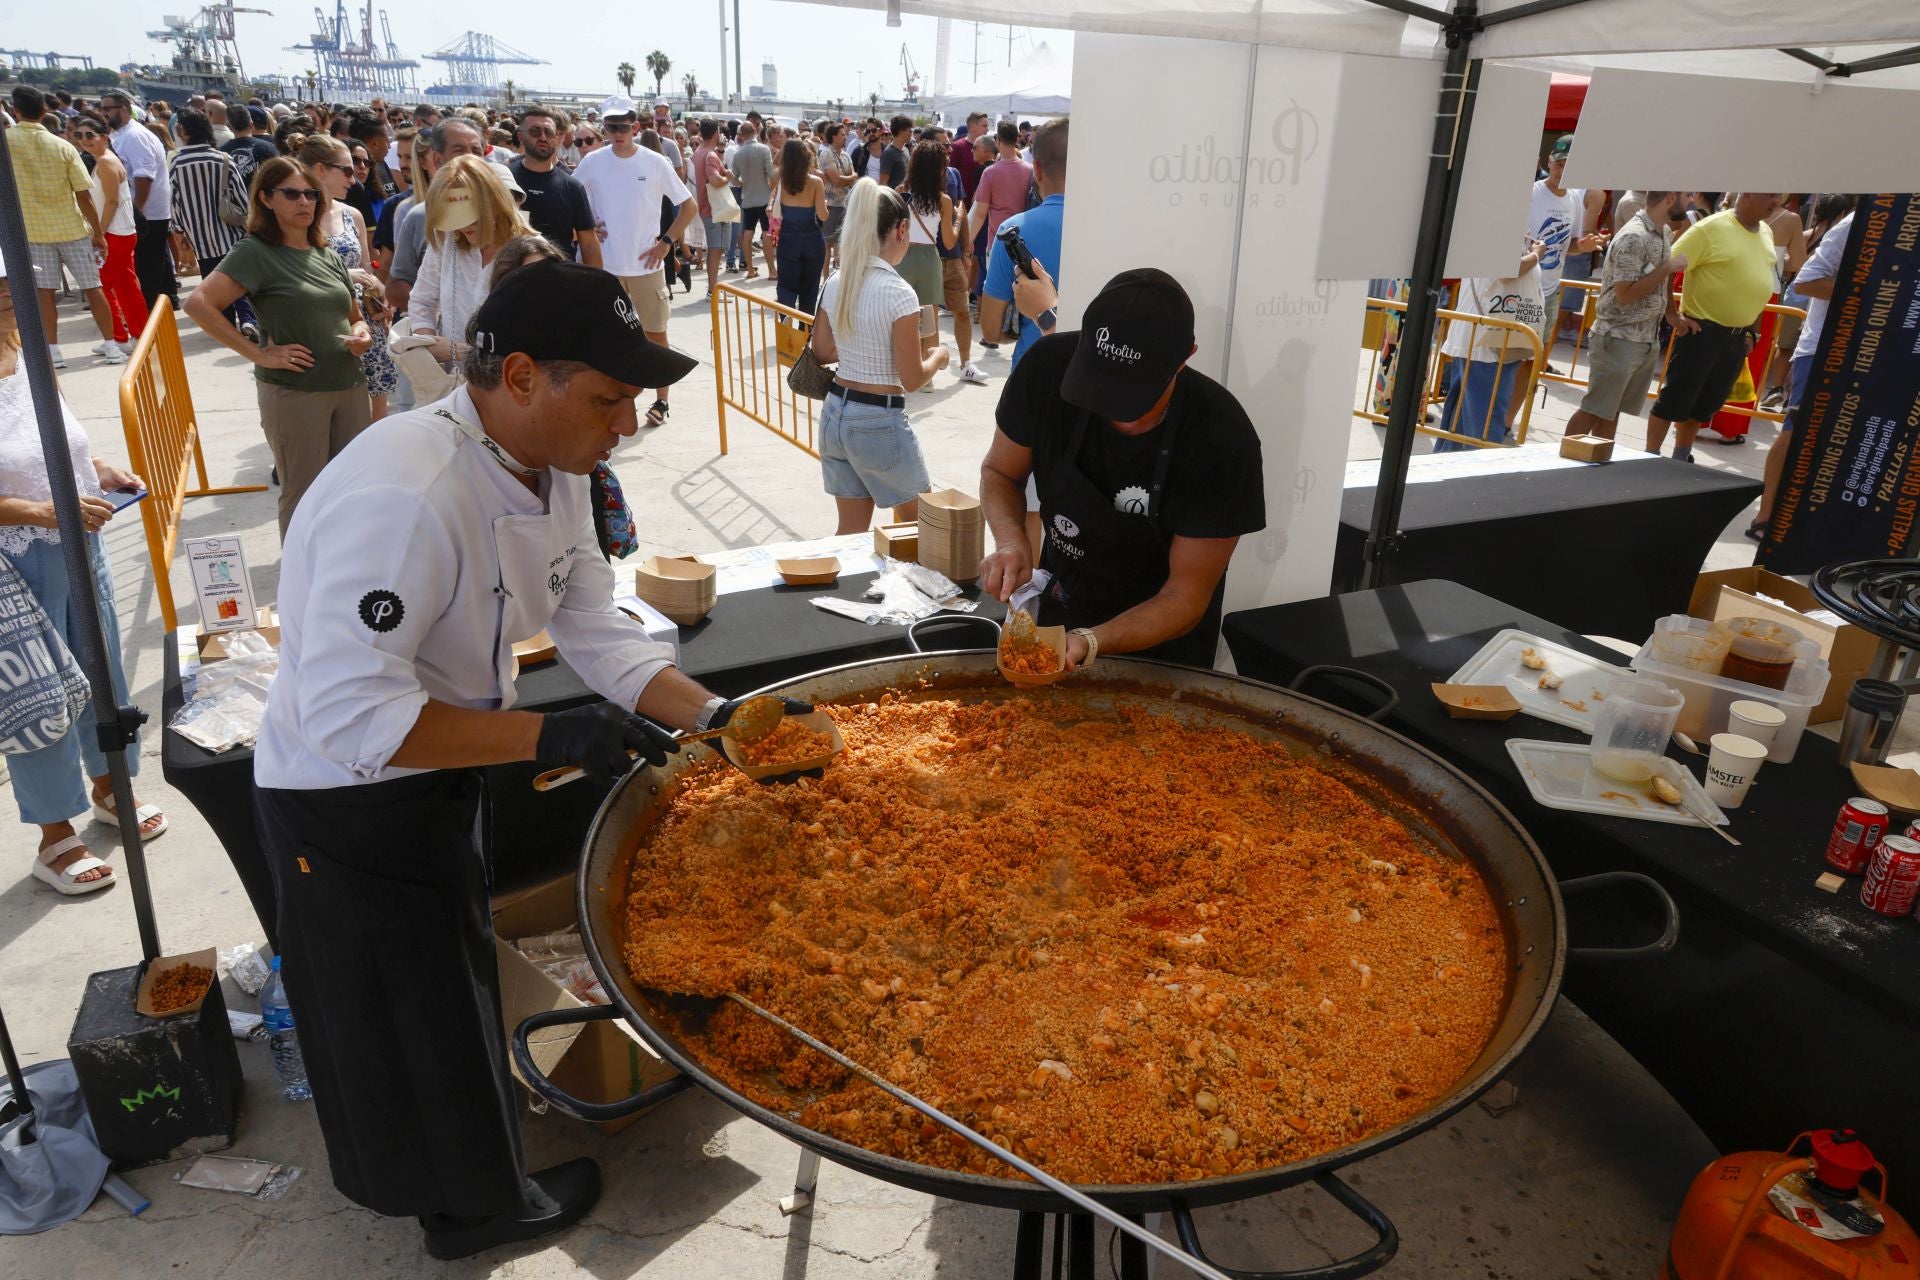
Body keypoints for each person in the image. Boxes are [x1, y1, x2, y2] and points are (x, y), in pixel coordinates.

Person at [248, 258, 785, 1261]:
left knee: (451, 985)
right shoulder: (406, 492)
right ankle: (467, 1210)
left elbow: (597, 627)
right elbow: (351, 716)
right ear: (524, 375)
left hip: (445, 762)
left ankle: (481, 1180)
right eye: (610, 397)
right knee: (401, 1007)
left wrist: (725, 718)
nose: (625, 423)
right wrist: (549, 733)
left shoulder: (557, 468)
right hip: (345, 797)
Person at [977, 269, 1266, 669]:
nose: (1112, 412)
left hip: (1164, 658)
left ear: (1184, 359)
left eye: (1132, 398)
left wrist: (1091, 642)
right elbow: (1000, 472)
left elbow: (1184, 597)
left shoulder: (1221, 438)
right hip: (1061, 617)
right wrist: (1010, 542)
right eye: (1098, 388)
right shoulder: (1045, 369)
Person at [0, 247, 166, 896]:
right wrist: (40, 511)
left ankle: (108, 784)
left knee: (102, 671)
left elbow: (57, 439)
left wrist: (98, 471)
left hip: (78, 539)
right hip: (18, 557)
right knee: (39, 690)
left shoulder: (31, 349)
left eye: (14, 277)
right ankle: (53, 833)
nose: (13, 289)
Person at [184, 155, 373, 537]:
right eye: (292, 194)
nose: (305, 202)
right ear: (267, 199)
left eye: (310, 194)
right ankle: (303, 588)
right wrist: (258, 353)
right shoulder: (256, 252)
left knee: (351, 491)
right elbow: (198, 304)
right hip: (296, 393)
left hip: (349, 387)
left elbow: (354, 314)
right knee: (304, 495)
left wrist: (362, 332)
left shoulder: (327, 254)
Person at [808, 179, 949, 534]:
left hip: (835, 413)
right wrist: (939, 356)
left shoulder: (837, 281)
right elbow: (913, 378)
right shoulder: (900, 294)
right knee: (923, 530)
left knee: (849, 534)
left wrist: (858, 342)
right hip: (877, 420)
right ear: (902, 229)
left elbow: (822, 350)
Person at [572, 107, 692, 427]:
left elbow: (688, 206)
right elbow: (569, 198)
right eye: (611, 127)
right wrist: (584, 228)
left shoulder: (655, 162)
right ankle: (610, 400)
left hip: (647, 268)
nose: (617, 133)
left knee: (656, 336)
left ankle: (662, 401)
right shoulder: (593, 162)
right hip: (605, 269)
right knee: (605, 339)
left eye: (623, 126)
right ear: (604, 128)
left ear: (636, 126)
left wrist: (667, 242)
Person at [1645, 192, 1781, 462]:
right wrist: (1672, 315)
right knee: (1675, 399)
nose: (1777, 202)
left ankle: (1680, 458)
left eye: (1780, 196)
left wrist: (1752, 329)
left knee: (1704, 404)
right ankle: (1649, 457)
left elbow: (1760, 281)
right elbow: (1665, 268)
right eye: (1772, 195)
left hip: (1735, 336)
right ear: (1750, 193)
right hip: (1701, 331)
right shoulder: (1710, 229)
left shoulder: (1766, 230)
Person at [1752, 195, 1856, 538]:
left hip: (1865, 357)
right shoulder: (1855, 225)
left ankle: (1805, 520)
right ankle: (1764, 517)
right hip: (1821, 350)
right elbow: (1806, 280)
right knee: (1795, 429)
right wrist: (1869, 294)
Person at [5, 87, 122, 368]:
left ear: (15, 111)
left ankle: (54, 351)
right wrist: (98, 233)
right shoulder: (63, 145)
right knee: (94, 288)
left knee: (45, 293)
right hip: (71, 228)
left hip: (33, 231)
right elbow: (83, 193)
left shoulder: (6, 142)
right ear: (45, 112)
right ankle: (111, 346)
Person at [1563, 192, 1688, 443]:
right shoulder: (1634, 236)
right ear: (1671, 198)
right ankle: (1560, 465)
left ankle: (1597, 466)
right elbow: (1625, 294)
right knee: (1595, 408)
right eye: (1686, 196)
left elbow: (1658, 280)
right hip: (1617, 338)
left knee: (1609, 411)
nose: (1691, 201)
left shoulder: (1661, 232)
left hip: (1641, 339)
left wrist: (1672, 316)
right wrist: (1668, 268)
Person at [295, 134, 398, 421]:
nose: (354, 179)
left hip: (364, 321)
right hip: (324, 323)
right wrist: (345, 273)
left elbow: (367, 268)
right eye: (348, 169)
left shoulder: (352, 214)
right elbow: (291, 271)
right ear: (320, 170)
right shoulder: (298, 218)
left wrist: (380, 296)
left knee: (379, 399)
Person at [1506, 134, 1605, 430]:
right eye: (1559, 163)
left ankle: (1507, 425)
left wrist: (1584, 246)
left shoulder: (1575, 199)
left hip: (1549, 291)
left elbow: (1569, 244)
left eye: (1569, 164)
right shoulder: (1532, 193)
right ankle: (1490, 419)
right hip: (1521, 288)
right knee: (1507, 356)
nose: (1563, 169)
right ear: (1549, 162)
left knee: (1530, 360)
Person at [410, 157, 535, 374]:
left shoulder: (533, 255)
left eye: (471, 217)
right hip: (454, 386)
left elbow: (534, 342)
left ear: (496, 204)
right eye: (453, 218)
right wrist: (427, 343)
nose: (462, 226)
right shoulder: (447, 240)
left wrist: (457, 351)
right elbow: (422, 300)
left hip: (511, 391)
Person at [1432, 239, 1546, 451]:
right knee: (1482, 428)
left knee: (1461, 425)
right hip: (1486, 341)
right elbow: (1506, 270)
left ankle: (1450, 473)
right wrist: (1537, 254)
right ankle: (1476, 478)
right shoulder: (1499, 228)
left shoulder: (1490, 228)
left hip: (1484, 337)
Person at [981, 118, 1068, 369]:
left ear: (1036, 170)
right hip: (1097, 380)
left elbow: (989, 330)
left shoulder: (1012, 230)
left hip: (1032, 374)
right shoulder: (1112, 228)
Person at [385, 116, 487, 315]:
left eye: (476, 151)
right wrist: (436, 313)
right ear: (437, 159)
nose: (470, 158)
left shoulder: (501, 213)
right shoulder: (416, 216)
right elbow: (396, 286)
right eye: (459, 150)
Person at [70, 116, 149, 353]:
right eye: (79, 135)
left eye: (89, 135)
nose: (84, 140)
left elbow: (112, 201)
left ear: (104, 137)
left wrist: (99, 233)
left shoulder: (105, 162)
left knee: (103, 285)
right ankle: (137, 335)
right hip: (120, 231)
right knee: (126, 285)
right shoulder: (104, 160)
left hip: (115, 233)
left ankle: (120, 337)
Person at [97, 89, 178, 313]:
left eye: (107, 109)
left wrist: (136, 212)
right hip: (146, 212)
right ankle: (164, 302)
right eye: (102, 108)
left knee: (147, 268)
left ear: (123, 109)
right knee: (156, 264)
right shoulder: (123, 134)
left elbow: (144, 176)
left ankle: (150, 312)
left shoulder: (134, 136)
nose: (103, 113)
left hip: (147, 213)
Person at [166, 108, 251, 301]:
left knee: (216, 294)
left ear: (184, 131)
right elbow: (242, 199)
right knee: (240, 286)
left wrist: (179, 232)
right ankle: (247, 322)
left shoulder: (177, 163)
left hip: (200, 242)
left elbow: (175, 203)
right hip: (231, 237)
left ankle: (226, 327)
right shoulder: (222, 159)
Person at [510, 105, 601, 267]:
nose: (543, 137)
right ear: (521, 136)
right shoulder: (504, 180)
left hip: (560, 281)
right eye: (535, 131)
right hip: (510, 281)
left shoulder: (572, 187)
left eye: (549, 132)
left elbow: (589, 245)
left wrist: (596, 287)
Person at [772, 138, 827, 315]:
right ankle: (805, 334)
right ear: (807, 158)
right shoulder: (816, 182)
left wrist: (786, 149)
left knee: (786, 286)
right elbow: (823, 215)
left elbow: (775, 163)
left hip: (788, 238)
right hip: (811, 238)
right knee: (809, 289)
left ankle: (786, 331)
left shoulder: (780, 180)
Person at [730, 121, 775, 280]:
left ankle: (750, 269)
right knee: (766, 234)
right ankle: (771, 271)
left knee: (747, 234)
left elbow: (734, 179)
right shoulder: (764, 149)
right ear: (756, 131)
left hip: (747, 199)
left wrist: (744, 182)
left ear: (741, 135)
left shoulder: (738, 154)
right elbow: (771, 174)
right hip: (764, 197)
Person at [691, 118, 731, 292]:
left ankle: (713, 289)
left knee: (715, 250)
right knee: (716, 250)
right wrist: (727, 177)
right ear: (716, 133)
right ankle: (713, 290)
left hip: (708, 207)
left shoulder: (699, 151)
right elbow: (715, 180)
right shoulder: (710, 154)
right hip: (715, 208)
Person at [816, 122, 855, 271]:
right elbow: (836, 180)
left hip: (844, 204)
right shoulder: (827, 154)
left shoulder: (845, 155)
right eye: (842, 134)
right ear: (834, 137)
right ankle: (825, 279)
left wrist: (847, 178)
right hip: (831, 205)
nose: (846, 137)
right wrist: (848, 177)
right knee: (827, 245)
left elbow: (854, 175)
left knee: (842, 243)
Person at [220, 100, 278, 192]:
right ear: (251, 124)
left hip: (235, 203)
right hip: (264, 201)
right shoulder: (268, 147)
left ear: (230, 127)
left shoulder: (222, 152)